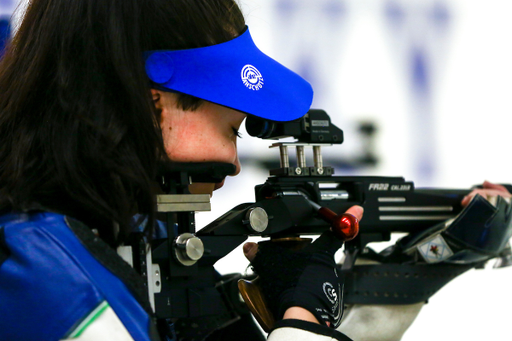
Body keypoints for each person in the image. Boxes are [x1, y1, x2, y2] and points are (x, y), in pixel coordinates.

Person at [0, 0, 362, 340]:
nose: (234, 165)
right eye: (231, 129)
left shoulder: (128, 233)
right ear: (152, 105)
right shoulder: (41, 274)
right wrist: (303, 322)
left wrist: (374, 301)